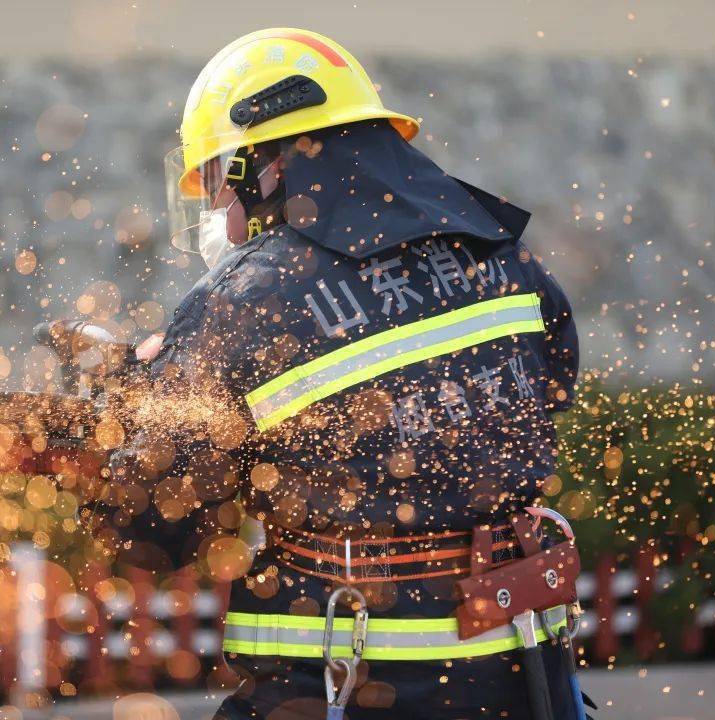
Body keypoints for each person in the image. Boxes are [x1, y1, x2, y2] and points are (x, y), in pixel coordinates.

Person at [105, 28, 585, 719]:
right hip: (522, 682)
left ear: (263, 170)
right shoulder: (501, 253)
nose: (217, 214)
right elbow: (553, 386)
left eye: (216, 185)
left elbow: (154, 531)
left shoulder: (242, 304)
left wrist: (133, 403)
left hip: (348, 688)